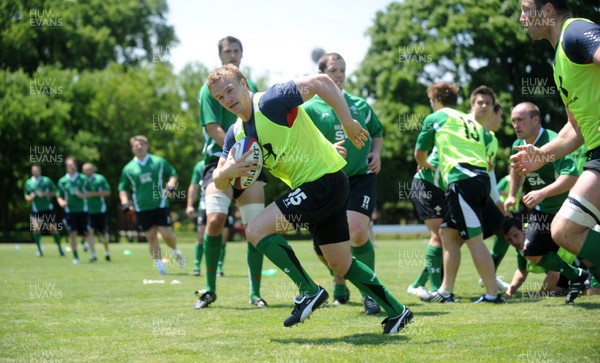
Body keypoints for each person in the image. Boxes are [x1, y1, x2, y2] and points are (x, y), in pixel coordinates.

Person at [205, 64, 412, 334]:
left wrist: (347, 121)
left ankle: (309, 290)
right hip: (324, 186)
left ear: (244, 84)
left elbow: (321, 81)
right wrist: (227, 171)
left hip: (322, 183)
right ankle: (398, 311)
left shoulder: (271, 101)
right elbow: (219, 180)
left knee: (255, 229)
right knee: (341, 263)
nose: (228, 99)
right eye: (220, 97)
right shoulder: (235, 134)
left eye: (230, 90)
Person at [512, 1, 600, 274]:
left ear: (547, 11)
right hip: (595, 152)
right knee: (564, 231)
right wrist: (542, 155)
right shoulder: (559, 61)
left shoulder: (576, 32)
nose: (522, 18)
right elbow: (575, 129)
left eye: (527, 9)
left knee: (565, 229)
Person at [303, 52, 383, 314]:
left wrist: (376, 153)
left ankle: (371, 293)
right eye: (334, 70)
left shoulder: (360, 105)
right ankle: (339, 284)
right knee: (324, 245)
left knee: (357, 233)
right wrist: (326, 150)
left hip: (360, 178)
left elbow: (377, 132)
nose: (339, 75)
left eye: (343, 70)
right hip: (326, 181)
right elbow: (299, 146)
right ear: (322, 74)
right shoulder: (309, 109)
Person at [196, 36, 267, 308]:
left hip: (251, 161)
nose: (233, 55)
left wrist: (250, 155)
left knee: (256, 227)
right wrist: (232, 156)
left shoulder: (253, 86)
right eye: (228, 51)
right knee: (214, 221)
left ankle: (255, 294)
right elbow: (213, 128)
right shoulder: (208, 89)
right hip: (220, 160)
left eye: (237, 50)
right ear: (220, 55)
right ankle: (210, 289)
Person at [415, 82, 502, 303]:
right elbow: (484, 156)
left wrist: (424, 163)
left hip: (462, 180)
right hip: (478, 178)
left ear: (435, 101)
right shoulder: (469, 121)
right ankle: (445, 290)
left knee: (474, 240)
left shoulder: (436, 118)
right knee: (447, 234)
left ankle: (492, 293)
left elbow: (419, 153)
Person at [505, 102, 588, 303]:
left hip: (566, 208)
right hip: (543, 210)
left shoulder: (553, 141)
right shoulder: (519, 143)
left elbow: (571, 177)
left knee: (585, 251)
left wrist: (541, 193)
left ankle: (585, 278)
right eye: (514, 120)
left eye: (521, 120)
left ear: (536, 120)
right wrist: (511, 195)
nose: (516, 125)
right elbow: (516, 169)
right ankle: (576, 275)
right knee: (532, 253)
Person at [118, 135, 184, 275]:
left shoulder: (158, 162)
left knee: (166, 235)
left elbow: (172, 174)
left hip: (160, 204)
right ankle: (160, 267)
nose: (139, 146)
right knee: (151, 237)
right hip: (142, 207)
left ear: (147, 145)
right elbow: (123, 188)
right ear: (132, 148)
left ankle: (175, 251)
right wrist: (125, 202)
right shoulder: (128, 169)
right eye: (136, 144)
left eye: (142, 143)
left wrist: (171, 185)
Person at [502, 217, 578, 297]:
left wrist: (539, 296)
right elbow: (522, 271)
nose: (514, 241)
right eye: (509, 240)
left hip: (579, 264)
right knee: (556, 293)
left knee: (589, 292)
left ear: (523, 230)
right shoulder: (521, 248)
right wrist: (509, 292)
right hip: (564, 275)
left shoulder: (537, 240)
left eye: (515, 235)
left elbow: (553, 274)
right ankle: (569, 288)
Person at [56, 157, 95, 264]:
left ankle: (83, 241)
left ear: (76, 166)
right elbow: (59, 195)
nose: (71, 167)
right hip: (69, 211)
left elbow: (91, 192)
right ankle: (76, 256)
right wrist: (61, 202)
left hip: (83, 210)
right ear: (66, 167)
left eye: (73, 165)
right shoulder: (62, 181)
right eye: (69, 165)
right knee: (72, 233)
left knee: (84, 234)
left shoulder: (83, 179)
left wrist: (83, 195)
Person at [25, 165, 64, 257]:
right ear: (32, 171)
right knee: (35, 228)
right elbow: (26, 196)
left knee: (53, 229)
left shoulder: (47, 181)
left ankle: (60, 248)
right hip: (36, 210)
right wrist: (31, 197)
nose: (35, 172)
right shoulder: (29, 183)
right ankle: (39, 250)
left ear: (40, 171)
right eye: (34, 170)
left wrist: (45, 194)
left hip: (47, 209)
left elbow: (55, 192)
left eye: (37, 170)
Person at [82, 163, 111, 261]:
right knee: (90, 231)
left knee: (103, 234)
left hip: (100, 210)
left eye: (89, 169)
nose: (87, 172)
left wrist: (94, 194)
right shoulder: (82, 180)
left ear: (93, 169)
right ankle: (93, 254)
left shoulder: (100, 179)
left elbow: (107, 192)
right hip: (88, 211)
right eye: (85, 170)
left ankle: (107, 252)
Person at [186, 160, 206, 276]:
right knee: (201, 236)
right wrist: (189, 205)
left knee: (223, 237)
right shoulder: (199, 165)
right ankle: (197, 265)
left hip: (224, 204)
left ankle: (219, 266)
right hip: (204, 205)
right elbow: (193, 186)